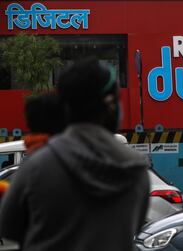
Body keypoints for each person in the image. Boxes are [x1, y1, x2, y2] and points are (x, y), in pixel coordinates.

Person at [0, 58, 150, 251]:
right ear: (111, 104)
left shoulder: (38, 165)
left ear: (65, 107)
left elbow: (9, 228)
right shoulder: (138, 172)